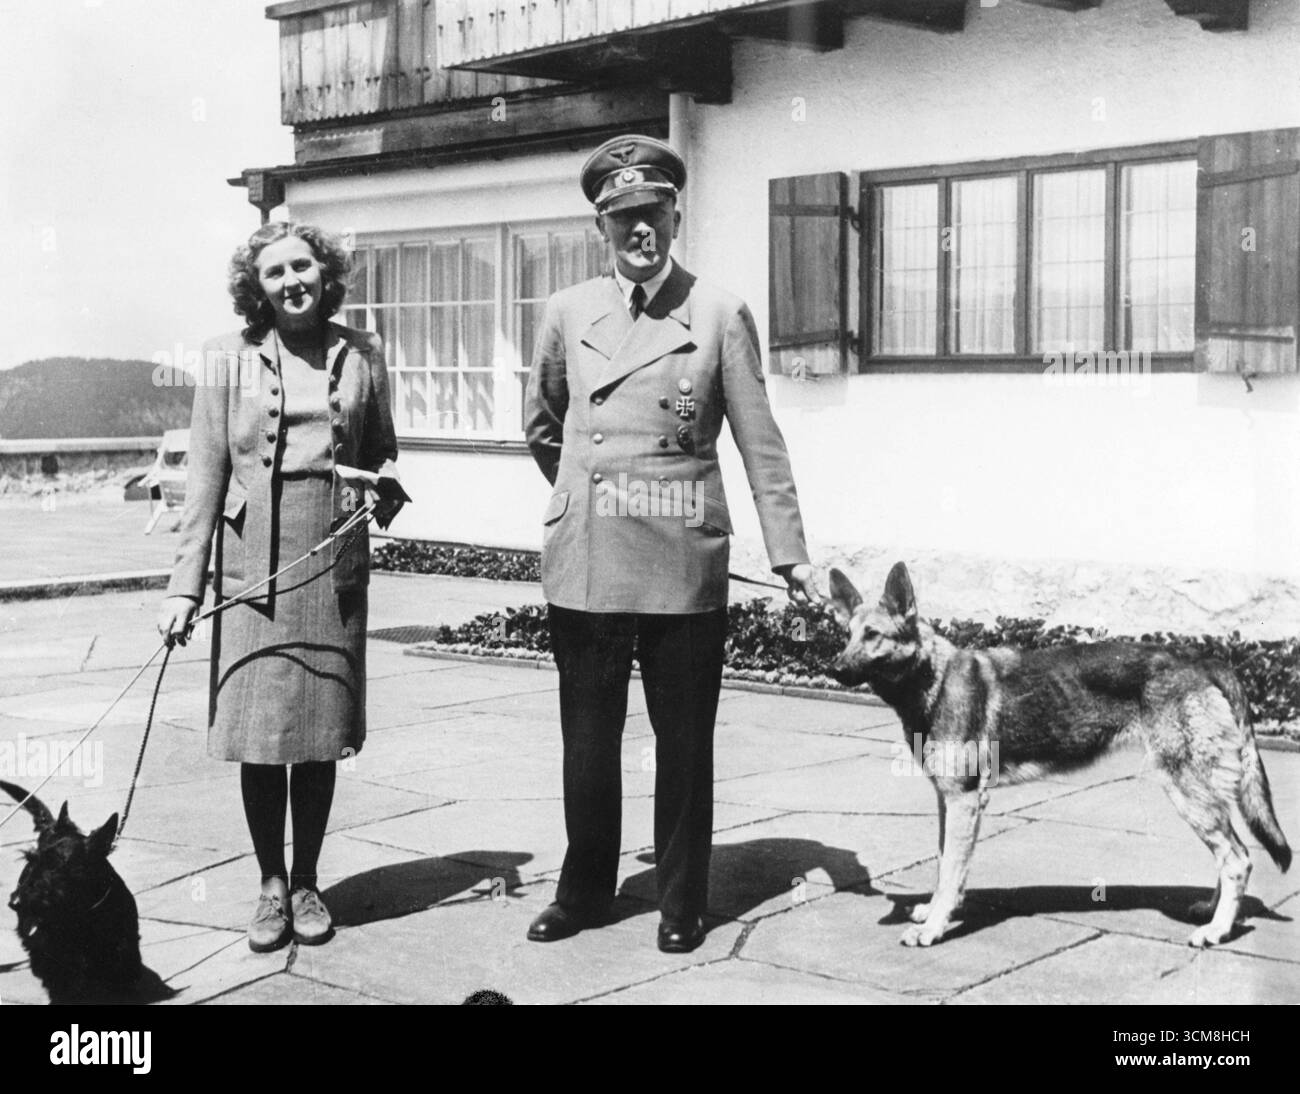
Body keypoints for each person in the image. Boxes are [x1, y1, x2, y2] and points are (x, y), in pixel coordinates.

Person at [523, 135, 821, 953]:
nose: (640, 231)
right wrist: (588, 493)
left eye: (653, 214)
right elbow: (544, 426)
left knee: (682, 741)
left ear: (676, 215)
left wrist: (789, 553)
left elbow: (761, 443)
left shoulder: (719, 312)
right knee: (587, 741)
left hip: (681, 557)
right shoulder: (566, 312)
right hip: (587, 554)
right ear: (601, 227)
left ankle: (683, 900)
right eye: (623, 219)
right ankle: (583, 891)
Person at [156, 222, 402, 953]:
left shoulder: (363, 353)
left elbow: (382, 447)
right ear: (255, 287)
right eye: (275, 272)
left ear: (325, 273)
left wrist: (382, 484)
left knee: (318, 734)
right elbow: (204, 478)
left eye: (303, 266)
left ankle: (307, 880)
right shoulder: (225, 359)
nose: (293, 280)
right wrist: (183, 590)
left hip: (330, 559)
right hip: (251, 562)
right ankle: (269, 884)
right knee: (262, 739)